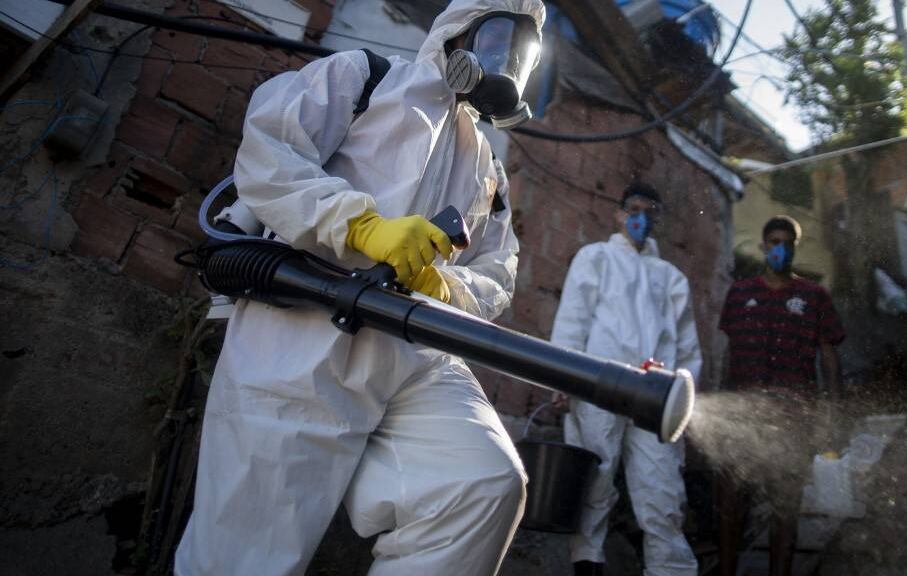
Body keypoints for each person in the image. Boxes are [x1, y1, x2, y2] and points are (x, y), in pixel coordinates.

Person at [174, 2, 545, 575]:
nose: (506, 61)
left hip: (413, 354)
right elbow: (270, 152)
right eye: (497, 40)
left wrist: (443, 286)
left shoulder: (487, 169)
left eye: (520, 53)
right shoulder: (365, 79)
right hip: (304, 336)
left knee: (481, 485)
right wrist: (361, 226)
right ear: (460, 31)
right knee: (243, 559)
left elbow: (498, 273)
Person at [550, 182, 703, 576]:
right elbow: (573, 320)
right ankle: (588, 566)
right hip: (597, 383)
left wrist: (683, 403)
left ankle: (670, 570)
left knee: (661, 490)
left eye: (650, 212)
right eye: (633, 209)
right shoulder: (596, 258)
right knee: (594, 481)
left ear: (657, 221)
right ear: (618, 214)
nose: (640, 218)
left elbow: (687, 350)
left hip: (656, 395)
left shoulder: (671, 278)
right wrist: (563, 380)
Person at [716, 215, 845, 576]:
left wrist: (834, 413)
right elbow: (728, 353)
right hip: (741, 417)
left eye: (787, 244)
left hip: (793, 419)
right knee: (730, 504)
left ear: (794, 249)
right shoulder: (740, 293)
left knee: (784, 508)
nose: (780, 249)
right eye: (774, 242)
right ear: (763, 246)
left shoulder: (814, 296)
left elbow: (829, 356)